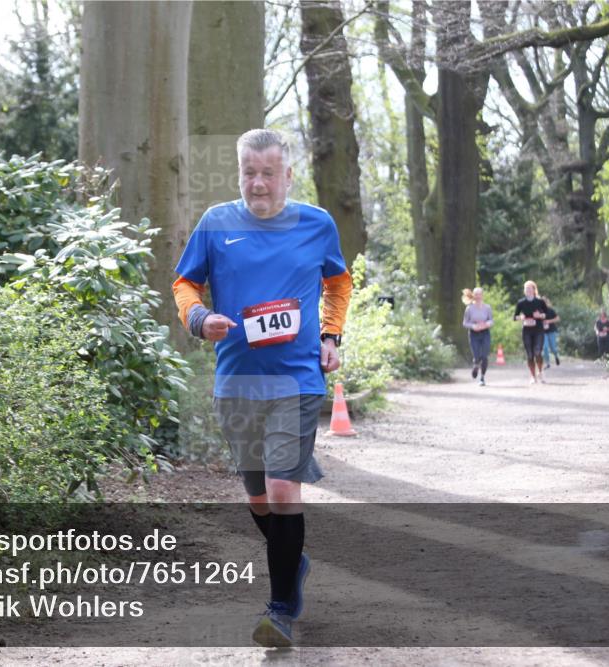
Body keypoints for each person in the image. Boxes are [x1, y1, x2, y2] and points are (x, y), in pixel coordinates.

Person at [172, 129, 352, 647]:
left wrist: (331, 334)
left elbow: (337, 283)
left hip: (296, 379)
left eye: (268, 173)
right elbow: (185, 283)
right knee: (256, 498)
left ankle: (280, 610)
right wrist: (199, 317)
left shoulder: (317, 225)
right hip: (237, 380)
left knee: (280, 488)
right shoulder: (216, 224)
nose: (258, 183)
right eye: (248, 172)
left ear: (287, 176)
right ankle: (291, 563)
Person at [513, 280, 549, 384]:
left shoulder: (540, 302)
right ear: (524, 291)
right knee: (529, 355)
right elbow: (514, 317)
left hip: (538, 330)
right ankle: (533, 376)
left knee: (537, 352)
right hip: (527, 330)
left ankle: (541, 372)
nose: (528, 290)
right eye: (526, 289)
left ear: (534, 290)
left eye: (530, 288)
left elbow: (547, 314)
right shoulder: (521, 303)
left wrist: (540, 316)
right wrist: (521, 317)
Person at [461, 287, 493, 386]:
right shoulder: (469, 309)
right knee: (476, 355)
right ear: (473, 296)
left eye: (480, 294)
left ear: (482, 295)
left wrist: (486, 324)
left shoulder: (487, 308)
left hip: (485, 333)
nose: (478, 296)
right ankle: (475, 366)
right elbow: (465, 323)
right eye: (476, 294)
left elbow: (491, 320)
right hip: (474, 334)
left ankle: (482, 377)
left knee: (484, 356)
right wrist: (473, 326)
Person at [541, 296, 561, 369]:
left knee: (553, 348)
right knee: (545, 348)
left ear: (547, 303)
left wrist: (549, 321)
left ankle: (556, 356)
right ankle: (547, 363)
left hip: (551, 331)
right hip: (542, 332)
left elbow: (558, 319)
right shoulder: (538, 312)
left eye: (544, 303)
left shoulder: (550, 310)